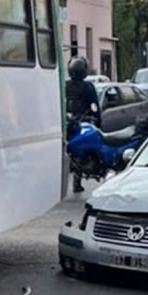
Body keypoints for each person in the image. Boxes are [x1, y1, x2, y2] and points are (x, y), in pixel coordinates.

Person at [66, 56, 100, 193]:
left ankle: (76, 178)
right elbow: (95, 106)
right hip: (82, 121)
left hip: (68, 121)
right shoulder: (88, 87)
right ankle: (77, 180)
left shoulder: (65, 85)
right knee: (84, 149)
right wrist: (98, 120)